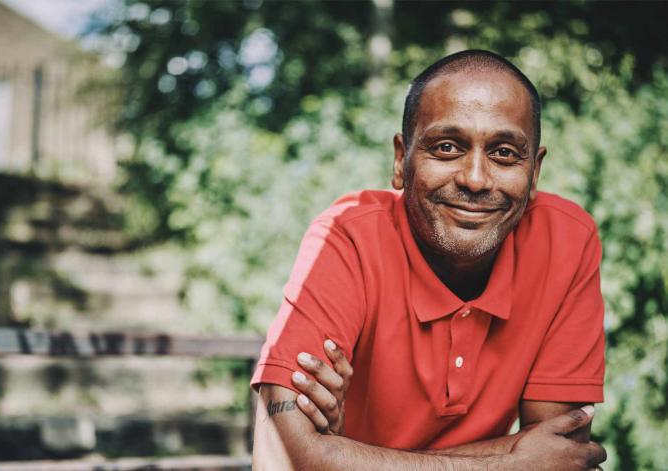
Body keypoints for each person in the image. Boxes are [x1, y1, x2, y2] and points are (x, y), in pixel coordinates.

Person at [250, 50, 607, 470]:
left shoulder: (567, 239)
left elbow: (560, 458)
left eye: (505, 153)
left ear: (535, 173)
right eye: (447, 147)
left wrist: (339, 455)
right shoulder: (347, 236)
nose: (475, 178)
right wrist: (505, 463)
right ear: (401, 160)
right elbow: (279, 461)